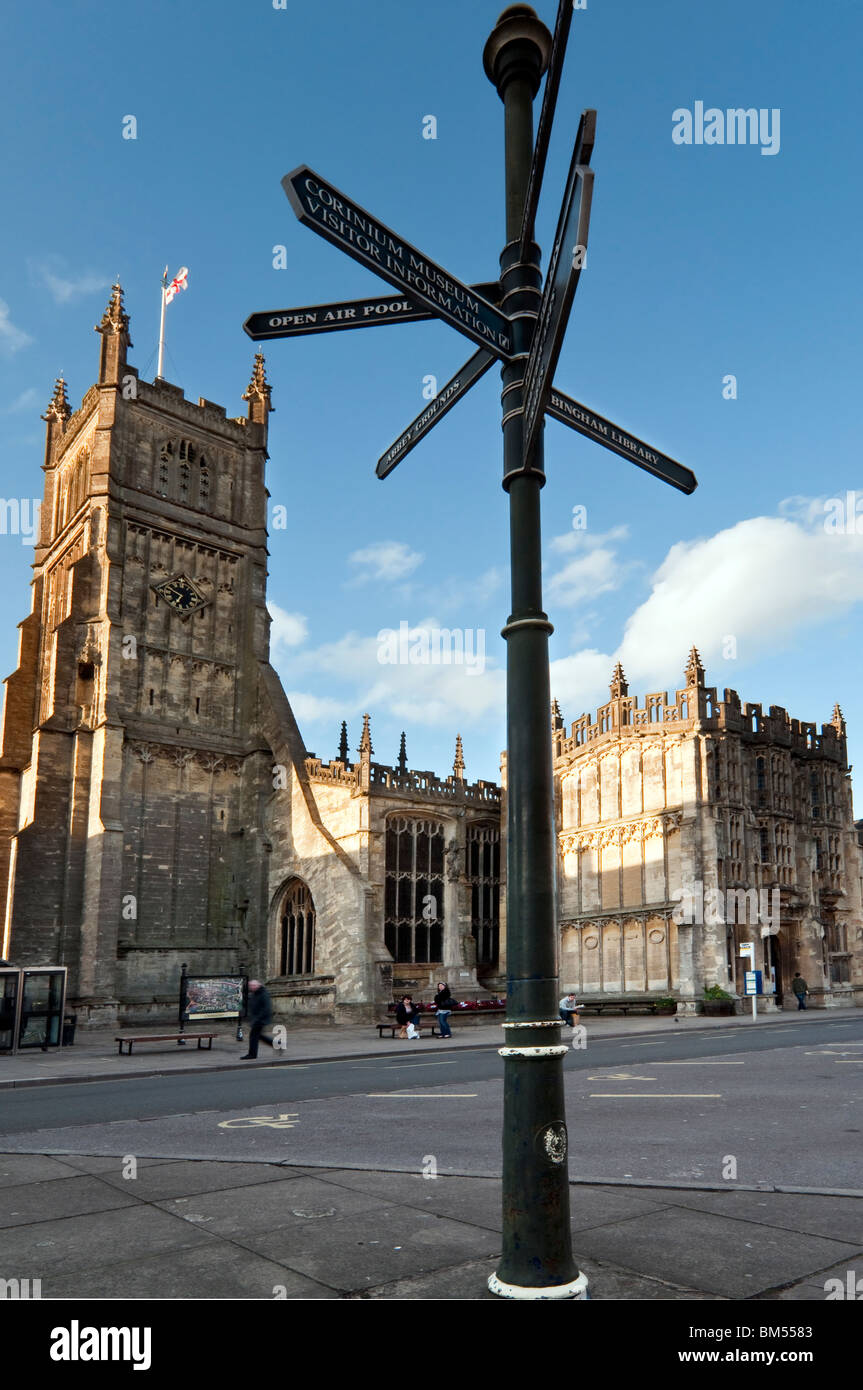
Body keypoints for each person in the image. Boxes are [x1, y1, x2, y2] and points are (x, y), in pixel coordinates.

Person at [241, 979, 274, 1058]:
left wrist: (258, 1018)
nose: (252, 987)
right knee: (258, 1036)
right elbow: (249, 1004)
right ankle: (277, 1044)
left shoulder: (263, 994)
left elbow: (266, 1008)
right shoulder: (254, 994)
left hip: (261, 1019)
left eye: (253, 985)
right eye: (251, 986)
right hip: (256, 1019)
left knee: (253, 1036)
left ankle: (252, 1054)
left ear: (258, 985)